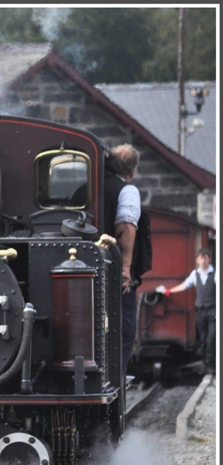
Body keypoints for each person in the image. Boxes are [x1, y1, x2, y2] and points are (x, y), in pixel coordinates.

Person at [104, 144, 142, 368]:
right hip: (113, 274)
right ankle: (115, 380)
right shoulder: (127, 190)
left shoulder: (83, 190)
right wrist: (125, 268)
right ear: (132, 172)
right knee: (123, 333)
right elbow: (126, 226)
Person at [156, 248, 216, 373]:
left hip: (213, 310)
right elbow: (185, 285)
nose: (203, 261)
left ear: (209, 259)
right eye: (201, 258)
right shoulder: (195, 274)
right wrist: (169, 291)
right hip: (200, 310)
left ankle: (211, 364)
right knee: (204, 338)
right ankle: (207, 364)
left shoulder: (215, 273)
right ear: (197, 260)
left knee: (212, 337)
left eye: (205, 258)